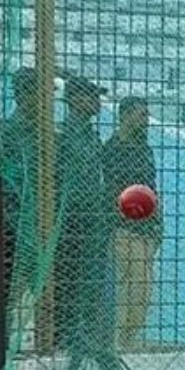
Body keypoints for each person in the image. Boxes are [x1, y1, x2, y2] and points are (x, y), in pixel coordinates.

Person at [52, 76, 112, 352]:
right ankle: (67, 338)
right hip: (72, 221)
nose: (97, 102)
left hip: (92, 219)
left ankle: (85, 336)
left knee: (90, 283)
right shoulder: (63, 135)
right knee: (70, 282)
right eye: (91, 96)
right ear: (75, 100)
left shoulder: (91, 134)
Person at [0, 67, 42, 299]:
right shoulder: (4, 132)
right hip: (10, 231)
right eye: (36, 93)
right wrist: (4, 218)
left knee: (42, 299)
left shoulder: (44, 135)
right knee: (4, 299)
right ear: (23, 96)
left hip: (37, 231)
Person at [104, 96, 161, 349]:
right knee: (128, 287)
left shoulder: (144, 149)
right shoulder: (112, 149)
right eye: (140, 116)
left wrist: (158, 224)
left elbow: (151, 189)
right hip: (124, 228)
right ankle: (119, 342)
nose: (145, 121)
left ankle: (128, 339)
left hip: (146, 229)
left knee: (143, 291)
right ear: (125, 116)